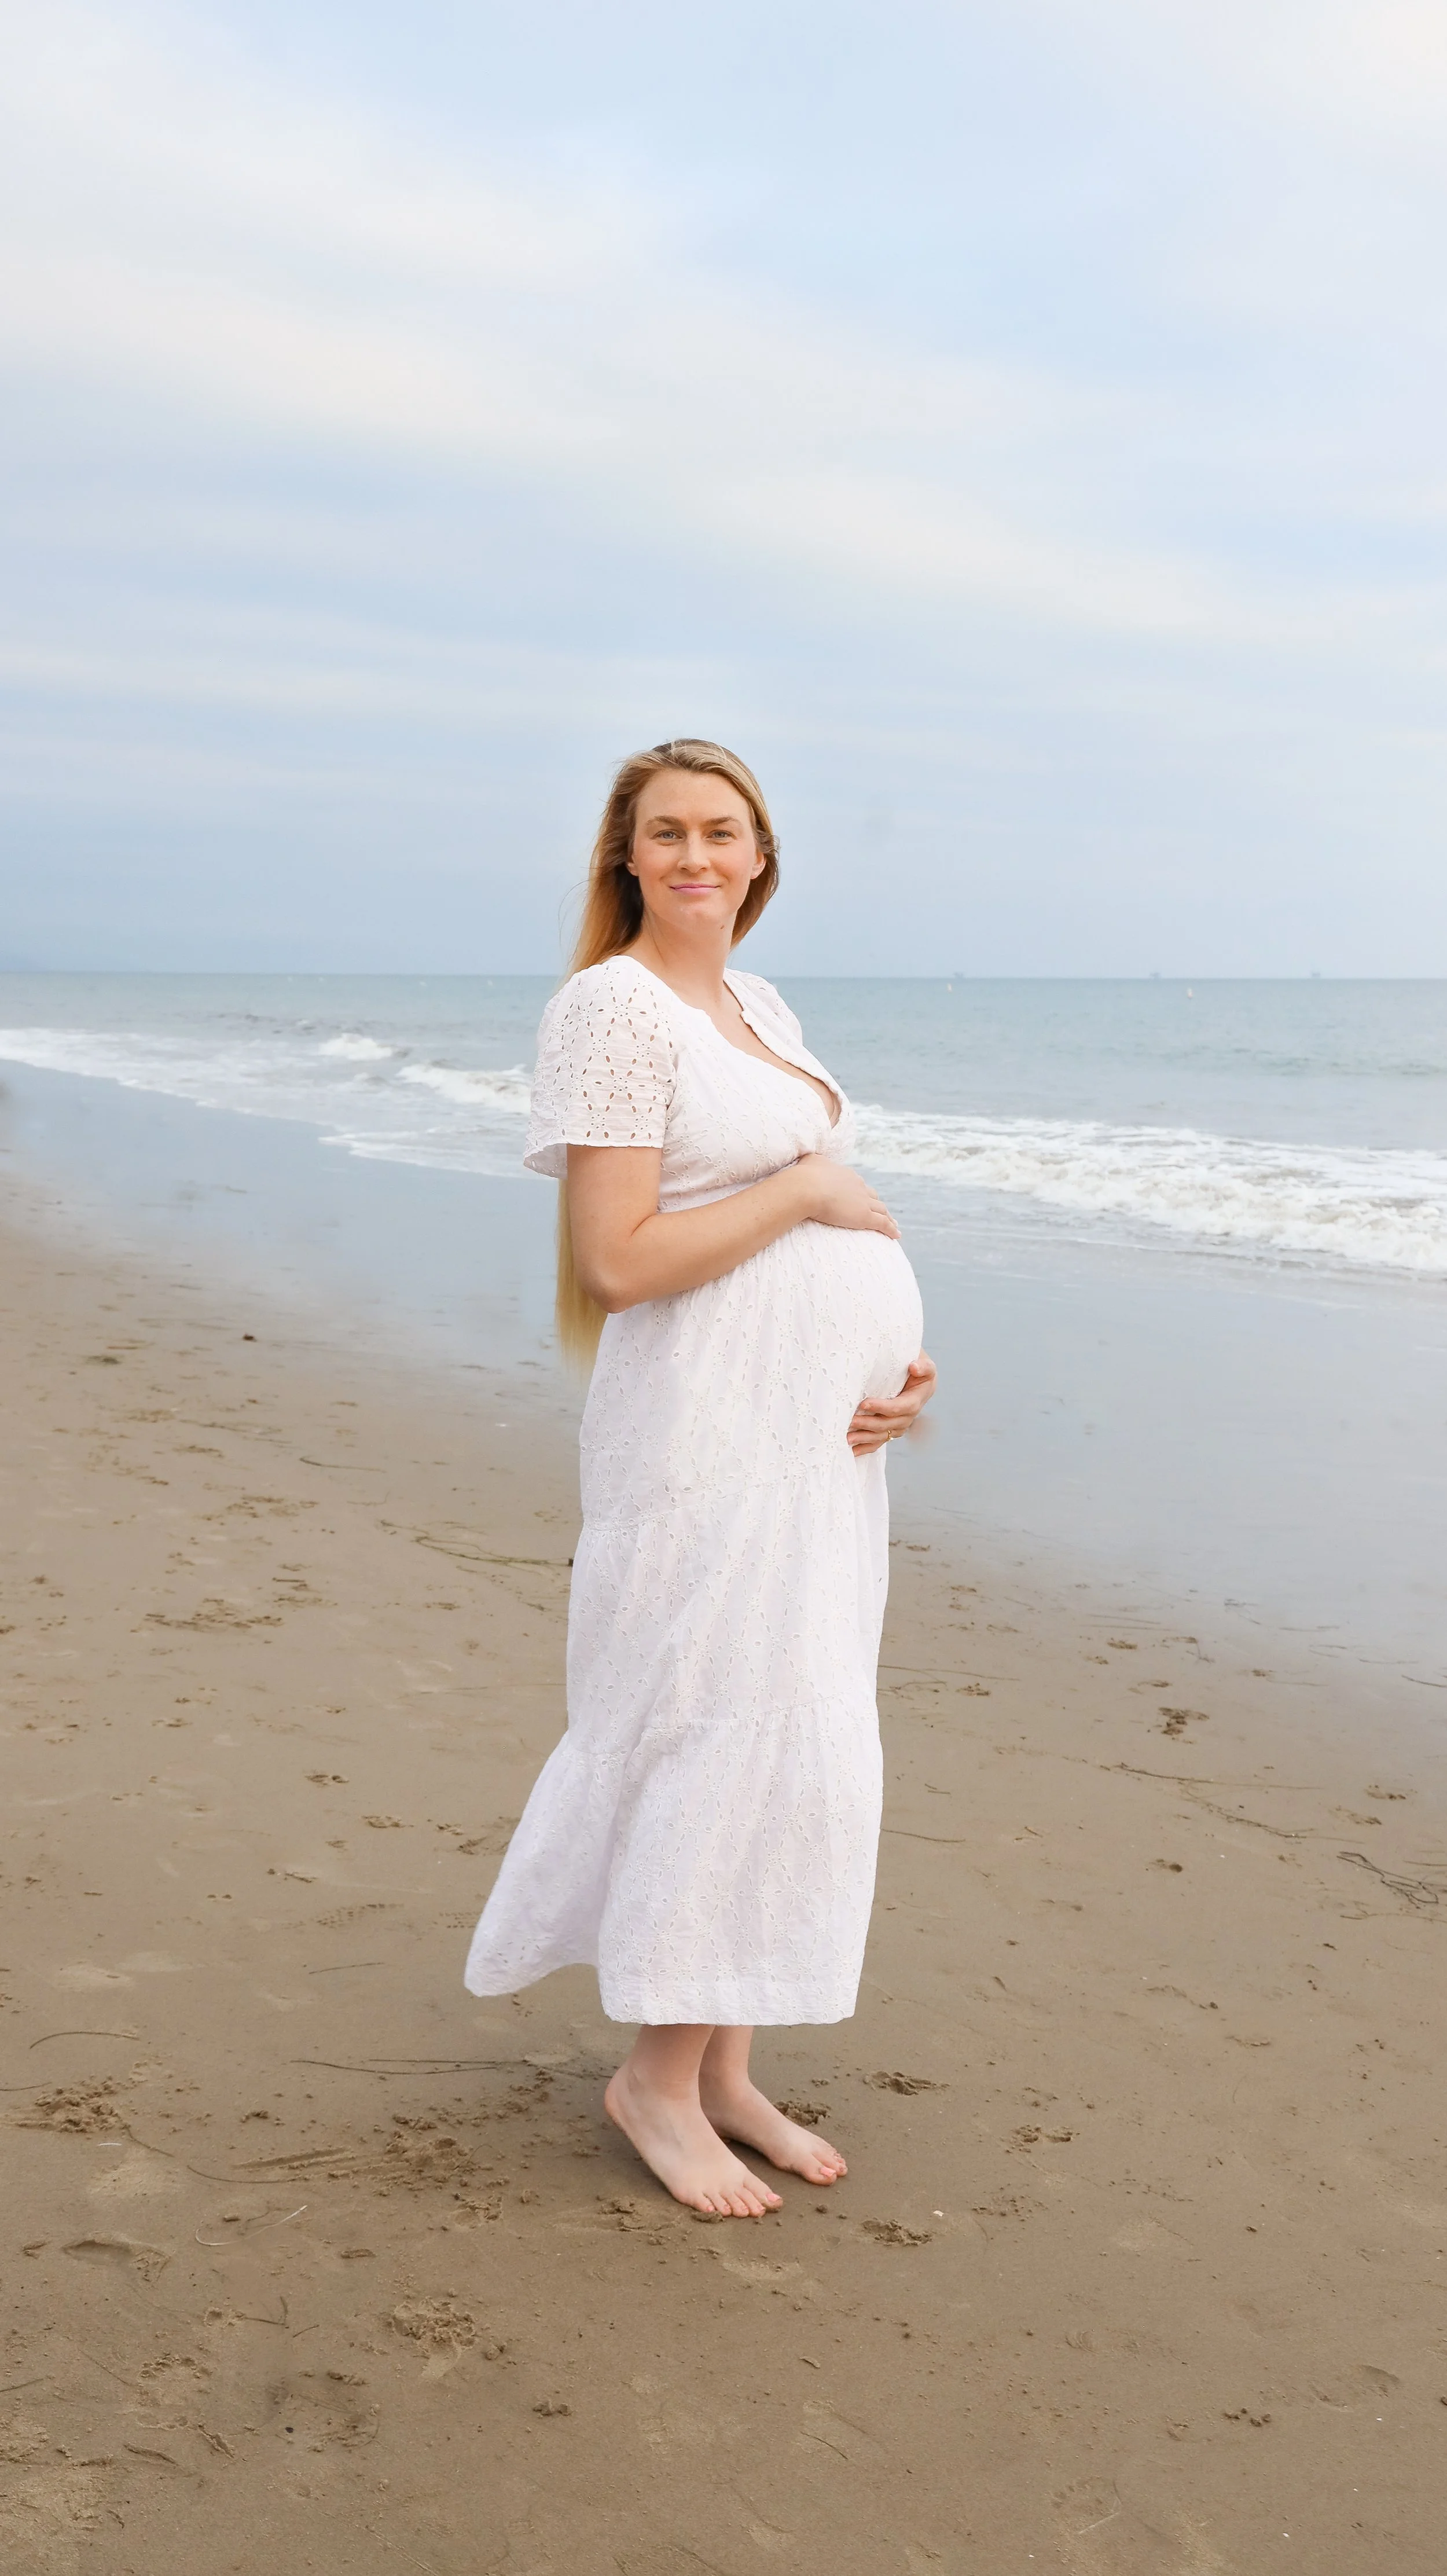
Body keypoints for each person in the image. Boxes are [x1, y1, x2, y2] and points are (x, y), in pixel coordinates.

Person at [464, 739, 936, 2217]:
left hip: (811, 1449)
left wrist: (887, 1376)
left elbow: (814, 1230)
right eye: (664, 833)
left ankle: (724, 2065)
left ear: (759, 852)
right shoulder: (611, 1007)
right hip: (705, 1442)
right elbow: (615, 1262)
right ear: (624, 857)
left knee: (798, 1732)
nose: (695, 856)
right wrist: (804, 1193)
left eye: (720, 832)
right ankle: (653, 2080)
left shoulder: (757, 1002)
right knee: (720, 1725)